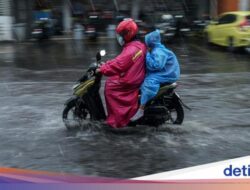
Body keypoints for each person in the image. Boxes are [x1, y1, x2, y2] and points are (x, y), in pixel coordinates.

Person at [96, 19, 147, 128]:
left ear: (128, 33)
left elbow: (120, 64)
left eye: (121, 34)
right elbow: (120, 60)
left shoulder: (131, 49)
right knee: (111, 81)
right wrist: (107, 63)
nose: (119, 37)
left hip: (131, 80)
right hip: (135, 76)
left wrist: (103, 69)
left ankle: (117, 120)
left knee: (110, 86)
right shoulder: (136, 45)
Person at [131, 29, 180, 121]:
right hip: (165, 72)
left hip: (167, 74)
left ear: (150, 42)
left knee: (148, 83)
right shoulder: (157, 49)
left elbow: (156, 65)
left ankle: (141, 109)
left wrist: (147, 55)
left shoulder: (158, 51)